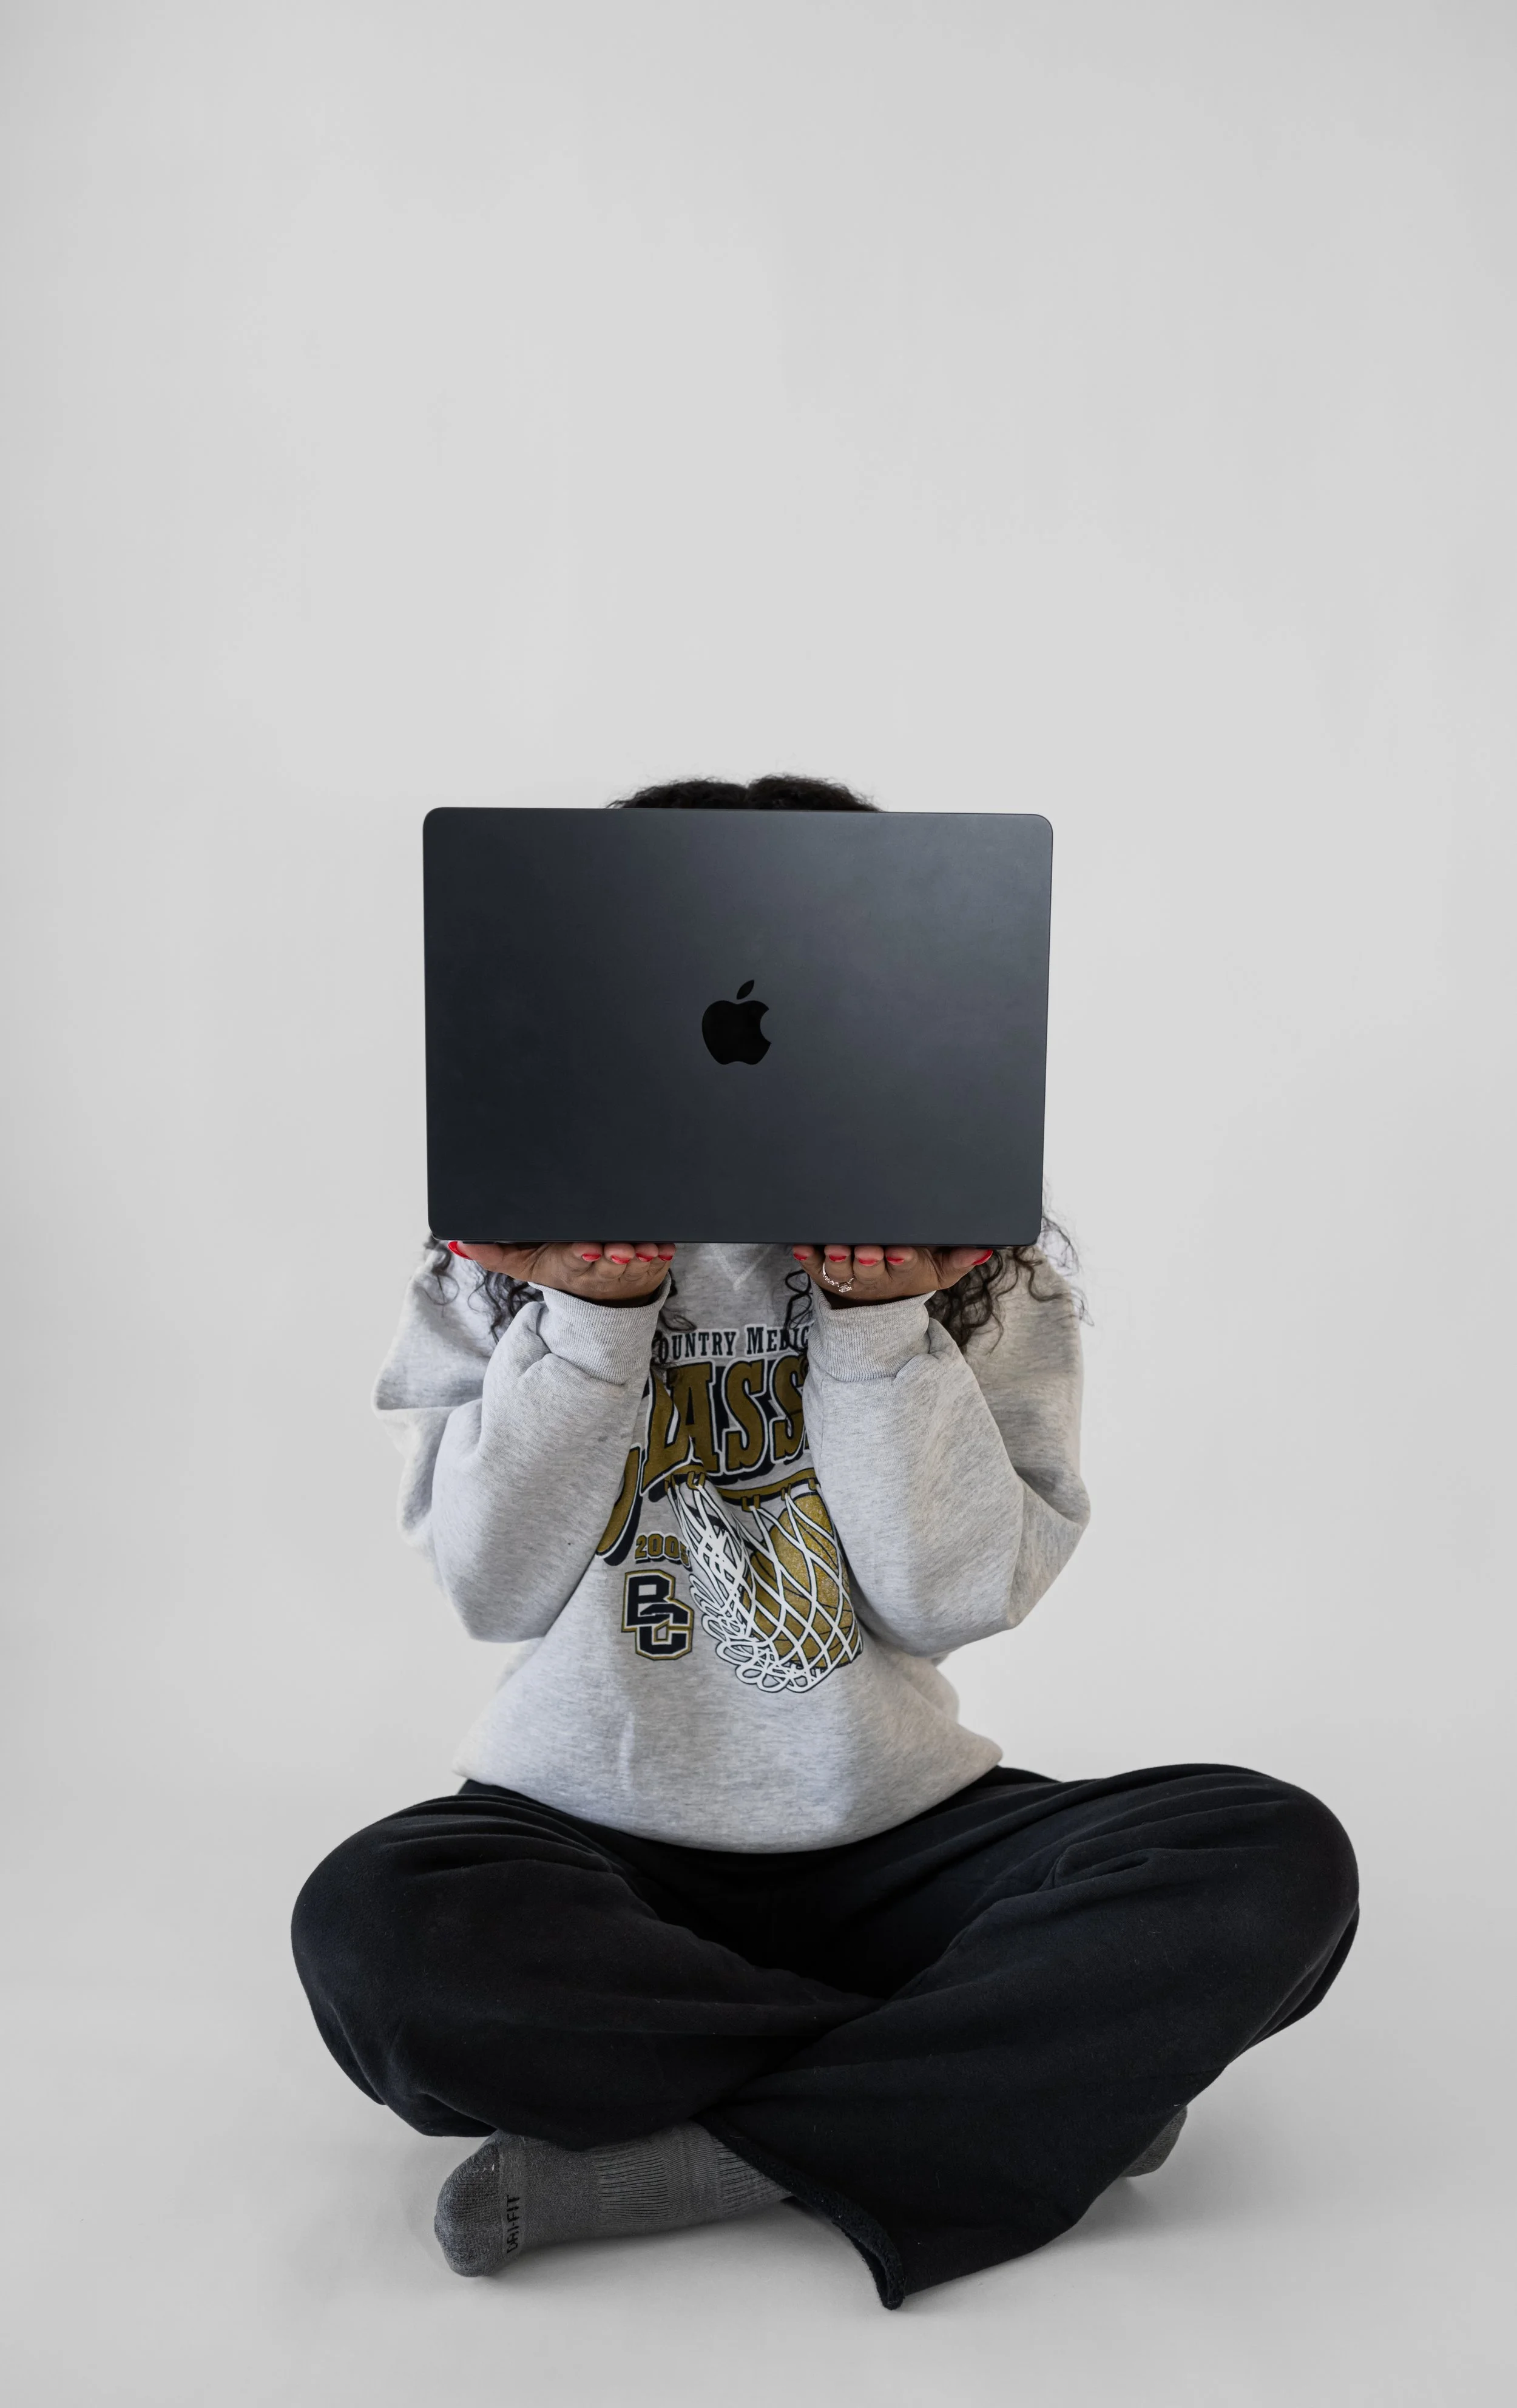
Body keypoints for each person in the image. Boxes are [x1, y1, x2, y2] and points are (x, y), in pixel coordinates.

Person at [291, 774, 1359, 2310]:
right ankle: (1008, 2084)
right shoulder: (499, 1271)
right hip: (582, 1828)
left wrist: (878, 1325)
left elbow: (944, 1600)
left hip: (899, 1827)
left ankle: (715, 2152)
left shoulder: (974, 1281)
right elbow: (492, 1587)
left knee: (1271, 1858)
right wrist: (592, 1317)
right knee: (374, 1937)